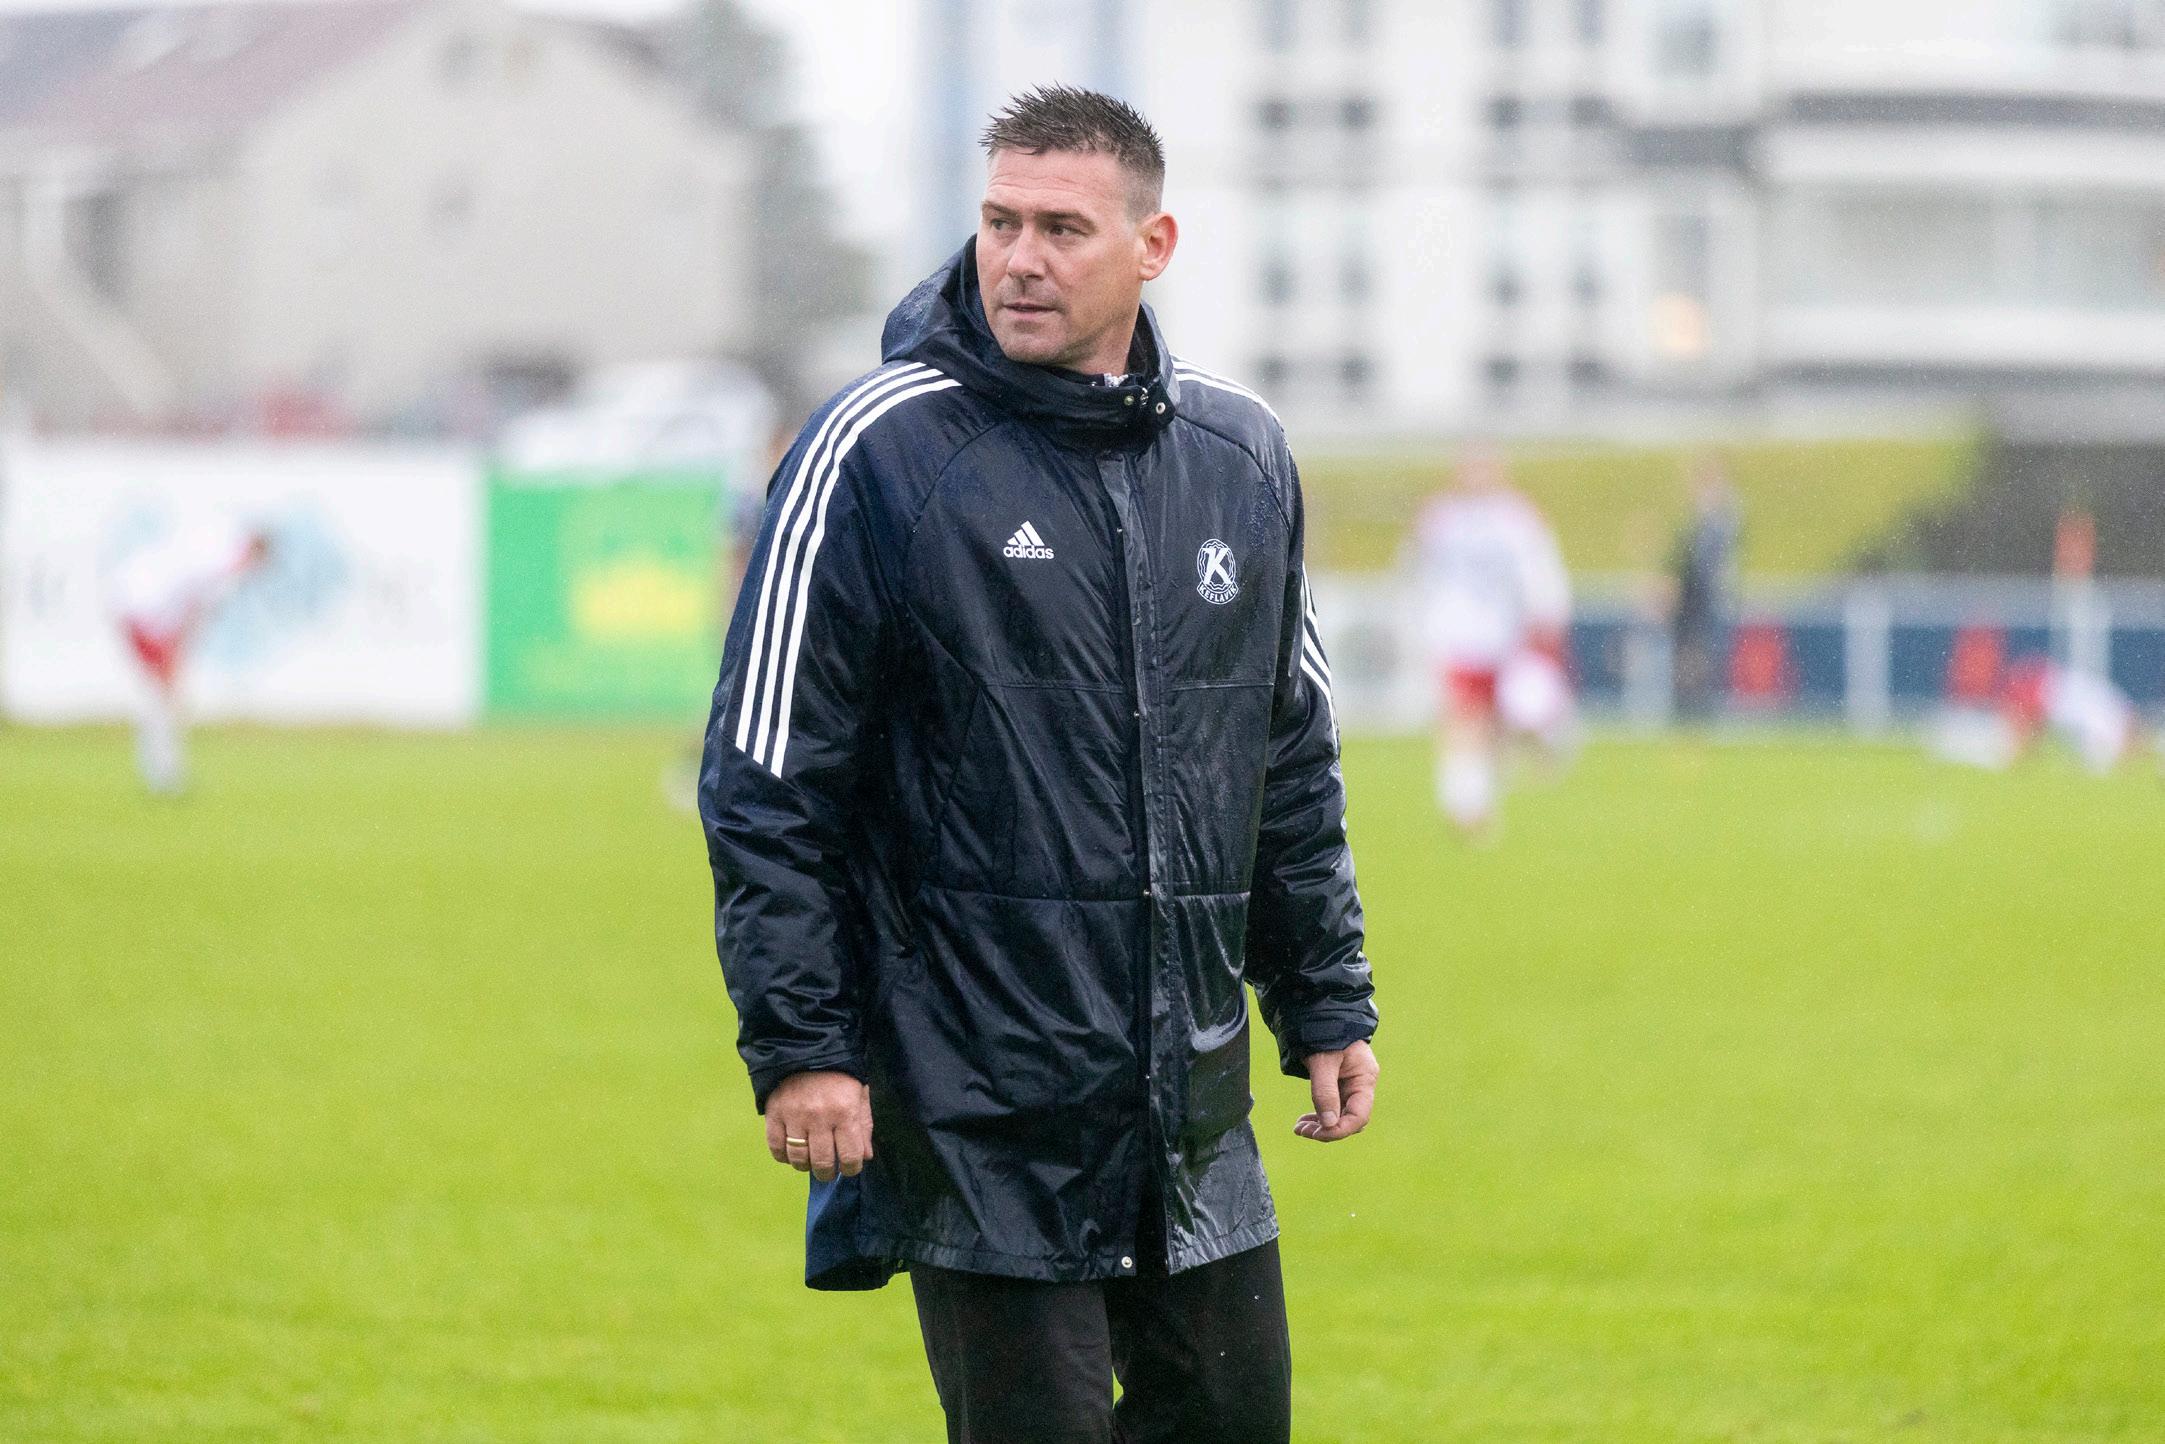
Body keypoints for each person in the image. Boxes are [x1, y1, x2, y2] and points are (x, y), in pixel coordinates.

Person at [697, 86, 1378, 1444]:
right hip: (973, 1104)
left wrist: (1321, 996)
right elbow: (768, 781)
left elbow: (1287, 758)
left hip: (1186, 1106)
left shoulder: (1243, 457)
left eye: (1061, 228)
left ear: (1152, 245)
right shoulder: (873, 451)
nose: (1019, 257)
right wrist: (802, 1045)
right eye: (999, 221)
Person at [1409, 447, 1572, 835]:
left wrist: (1546, 615)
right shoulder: (1442, 519)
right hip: (1458, 636)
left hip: (1505, 637)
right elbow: (1418, 570)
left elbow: (1539, 571)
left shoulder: (1515, 518)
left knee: (1502, 720)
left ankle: (1485, 790)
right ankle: (1466, 804)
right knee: (1464, 717)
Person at [108, 520, 272, 795]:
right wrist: (174, 654)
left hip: (146, 611)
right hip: (145, 613)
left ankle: (165, 772)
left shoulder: (218, 554)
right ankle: (164, 774)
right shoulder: (221, 567)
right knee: (162, 698)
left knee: (162, 698)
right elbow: (191, 611)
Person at [1668, 455, 1740, 721]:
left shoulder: (1721, 521)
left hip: (1705, 606)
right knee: (1690, 666)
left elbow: (1706, 569)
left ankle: (1700, 717)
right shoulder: (1699, 523)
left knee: (1701, 665)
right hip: (1694, 607)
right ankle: (1691, 717)